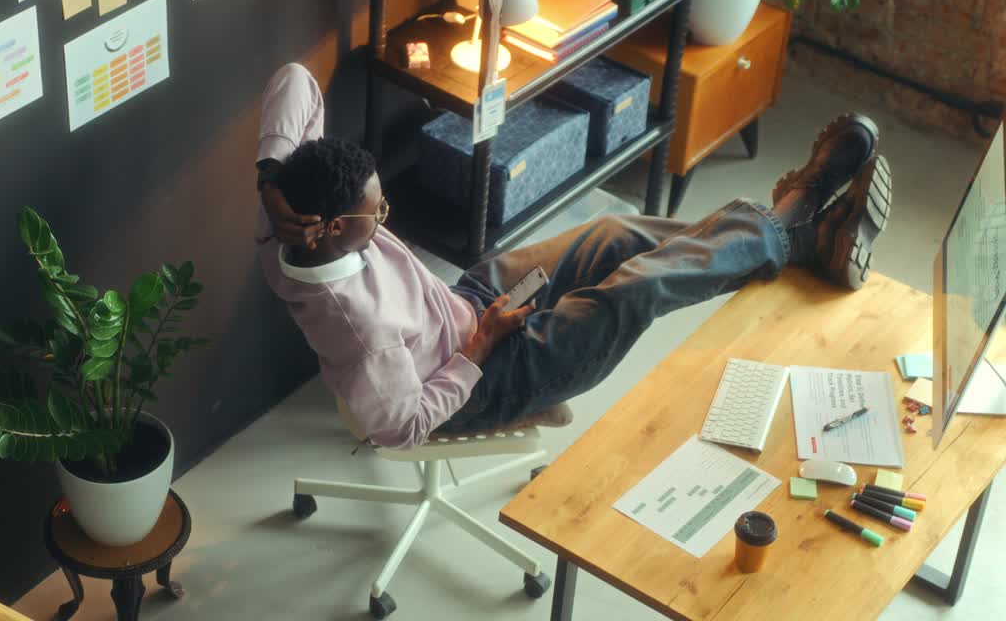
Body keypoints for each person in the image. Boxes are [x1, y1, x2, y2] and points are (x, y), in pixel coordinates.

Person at [255, 63, 891, 449]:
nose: (386, 216)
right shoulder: (364, 331)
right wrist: (480, 346)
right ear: (334, 227)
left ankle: (795, 236)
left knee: (610, 233)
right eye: (378, 213)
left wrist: (269, 175)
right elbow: (401, 427)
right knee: (635, 286)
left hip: (468, 302)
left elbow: (295, 79)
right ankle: (796, 218)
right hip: (491, 375)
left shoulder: (288, 218)